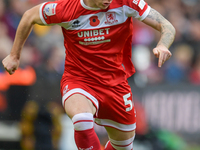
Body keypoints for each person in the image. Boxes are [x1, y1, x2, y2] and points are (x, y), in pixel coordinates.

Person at [2, 0, 175, 149]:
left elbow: (167, 26)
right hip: (79, 80)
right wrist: (14, 55)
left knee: (123, 146)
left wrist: (162, 45)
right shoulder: (65, 9)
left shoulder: (126, 3)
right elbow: (29, 16)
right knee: (82, 119)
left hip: (115, 85)